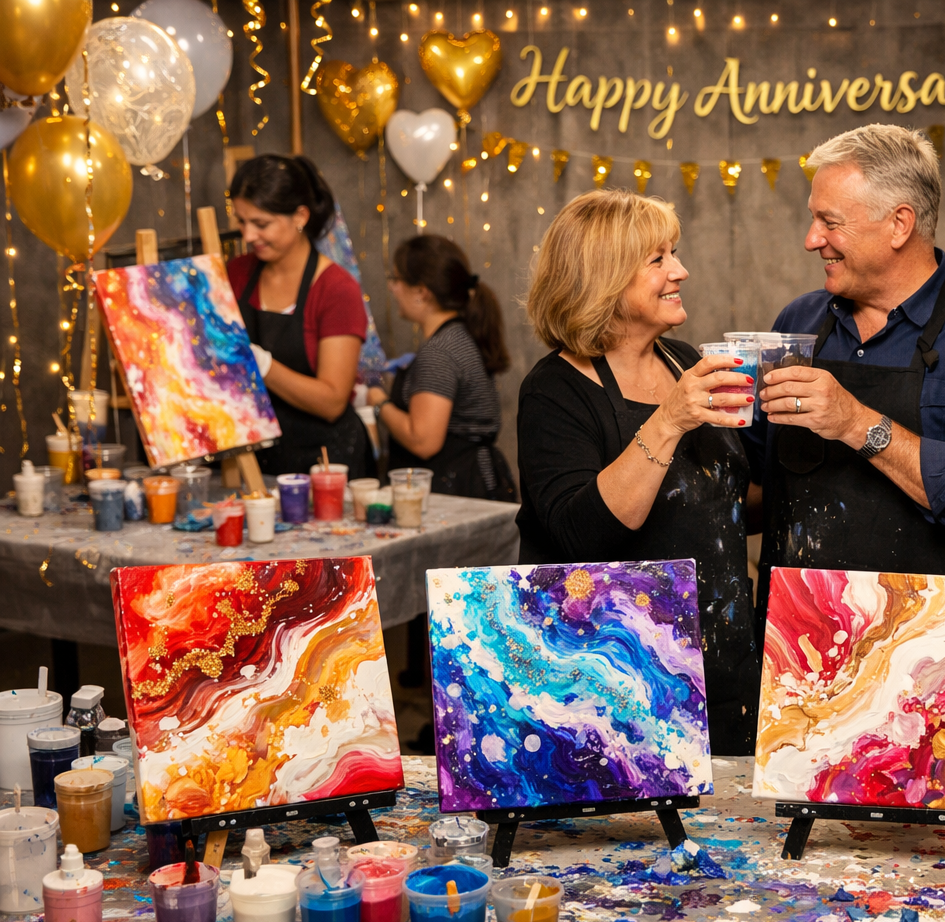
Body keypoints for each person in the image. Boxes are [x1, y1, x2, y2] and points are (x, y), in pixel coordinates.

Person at [515, 190, 761, 754]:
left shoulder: (683, 360)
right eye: (658, 259)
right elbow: (583, 533)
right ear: (603, 277)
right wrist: (670, 419)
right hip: (618, 684)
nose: (681, 270)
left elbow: (720, 506)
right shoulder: (555, 389)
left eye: (673, 252)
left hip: (722, 662)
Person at [753, 124, 945, 589]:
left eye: (830, 222)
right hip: (801, 632)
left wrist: (854, 422)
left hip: (937, 635)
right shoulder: (798, 323)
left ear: (899, 224)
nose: (811, 239)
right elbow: (754, 479)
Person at [228, 154, 370, 478]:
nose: (248, 235)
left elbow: (333, 400)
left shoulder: (336, 289)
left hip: (326, 464)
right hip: (257, 460)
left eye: (261, 224)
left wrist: (262, 365)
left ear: (300, 216)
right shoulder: (236, 274)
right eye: (241, 221)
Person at [365, 235, 517, 500]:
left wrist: (378, 401)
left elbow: (423, 441)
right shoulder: (461, 336)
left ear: (422, 291)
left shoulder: (440, 350)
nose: (392, 288)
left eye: (397, 279)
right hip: (475, 482)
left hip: (455, 489)